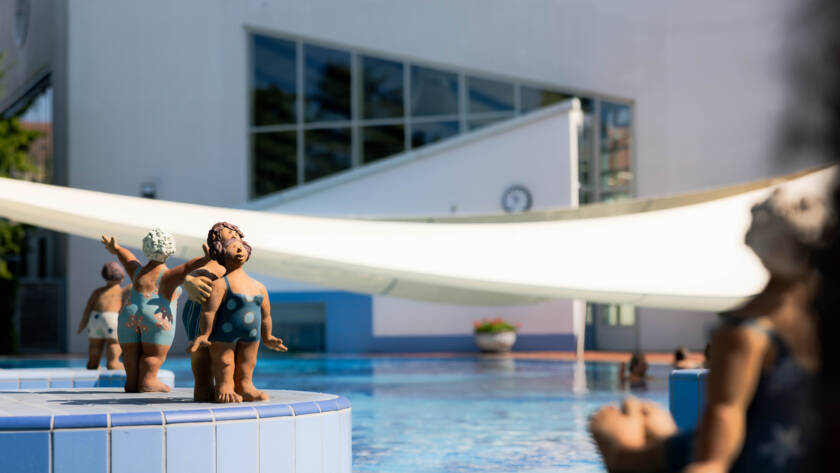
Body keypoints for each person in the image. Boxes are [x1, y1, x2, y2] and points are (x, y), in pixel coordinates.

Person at [588, 179, 832, 473]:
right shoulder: (822, 320)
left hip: (753, 457)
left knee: (623, 448)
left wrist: (617, 443)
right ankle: (661, 433)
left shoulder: (747, 331)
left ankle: (625, 446)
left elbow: (720, 439)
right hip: (795, 452)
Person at [101, 228, 210, 392]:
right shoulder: (168, 275)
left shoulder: (137, 271)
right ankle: (148, 381)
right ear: (170, 250)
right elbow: (188, 266)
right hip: (155, 317)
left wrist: (116, 248)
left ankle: (131, 382)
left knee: (129, 353)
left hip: (128, 315)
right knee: (153, 355)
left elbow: (127, 258)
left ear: (146, 248)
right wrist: (205, 259)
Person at [187, 236, 288, 403]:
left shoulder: (259, 286)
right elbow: (209, 312)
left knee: (248, 362)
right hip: (223, 333)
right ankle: (224, 386)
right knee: (224, 361)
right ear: (221, 254)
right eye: (233, 247)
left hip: (251, 336)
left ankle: (244, 386)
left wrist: (268, 337)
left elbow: (266, 316)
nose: (239, 250)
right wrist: (205, 334)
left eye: (241, 246)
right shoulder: (220, 284)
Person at [181, 221, 245, 401]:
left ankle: (228, 386)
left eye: (236, 234)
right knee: (201, 350)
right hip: (199, 311)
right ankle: (203, 385)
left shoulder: (235, 264)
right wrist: (190, 282)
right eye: (229, 234)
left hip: (222, 316)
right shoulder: (213, 265)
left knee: (228, 352)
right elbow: (192, 275)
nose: (234, 237)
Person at [76, 261, 128, 370]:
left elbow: (88, 307)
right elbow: (136, 286)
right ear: (122, 277)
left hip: (94, 319)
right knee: (114, 343)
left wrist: (82, 324)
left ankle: (93, 363)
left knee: (95, 344)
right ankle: (113, 363)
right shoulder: (121, 291)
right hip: (111, 319)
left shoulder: (98, 291)